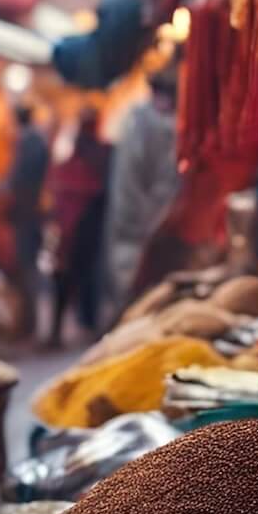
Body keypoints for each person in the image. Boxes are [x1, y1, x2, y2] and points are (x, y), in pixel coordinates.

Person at [105, 68, 181, 302]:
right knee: (133, 296)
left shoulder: (145, 121)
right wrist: (143, 226)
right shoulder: (141, 122)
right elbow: (128, 185)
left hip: (152, 229)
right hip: (138, 231)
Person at [47, 109, 111, 346]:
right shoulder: (103, 154)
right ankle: (86, 326)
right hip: (87, 227)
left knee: (66, 279)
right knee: (84, 277)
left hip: (74, 227)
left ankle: (62, 330)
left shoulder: (83, 156)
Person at [4, 104, 50, 338]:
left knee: (27, 267)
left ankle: (29, 326)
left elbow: (18, 177)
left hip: (28, 212)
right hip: (32, 210)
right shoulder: (36, 138)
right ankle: (29, 324)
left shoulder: (29, 140)